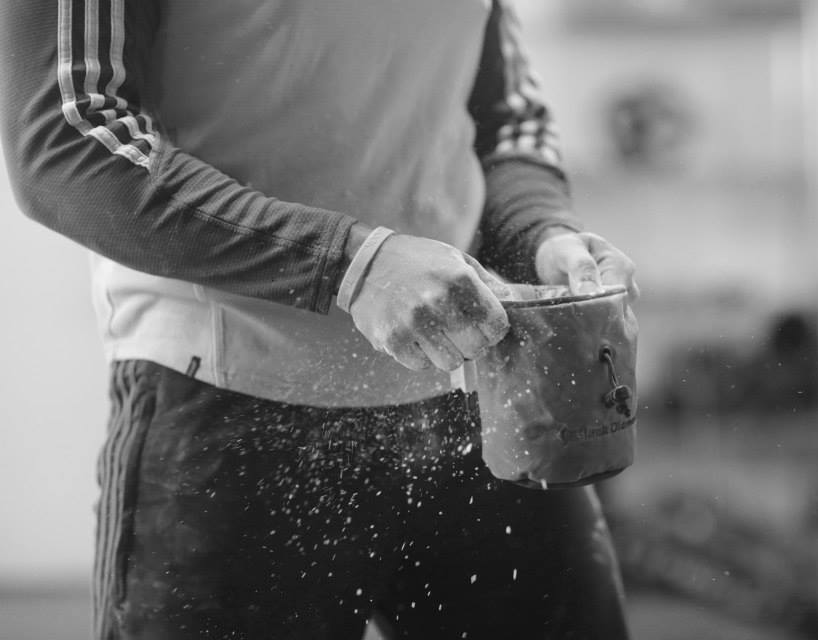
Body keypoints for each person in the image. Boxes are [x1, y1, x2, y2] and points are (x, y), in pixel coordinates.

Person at [0, 1, 639, 638]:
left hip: (480, 388)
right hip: (228, 400)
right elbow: (67, 138)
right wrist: (349, 263)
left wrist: (539, 230)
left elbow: (506, 120)